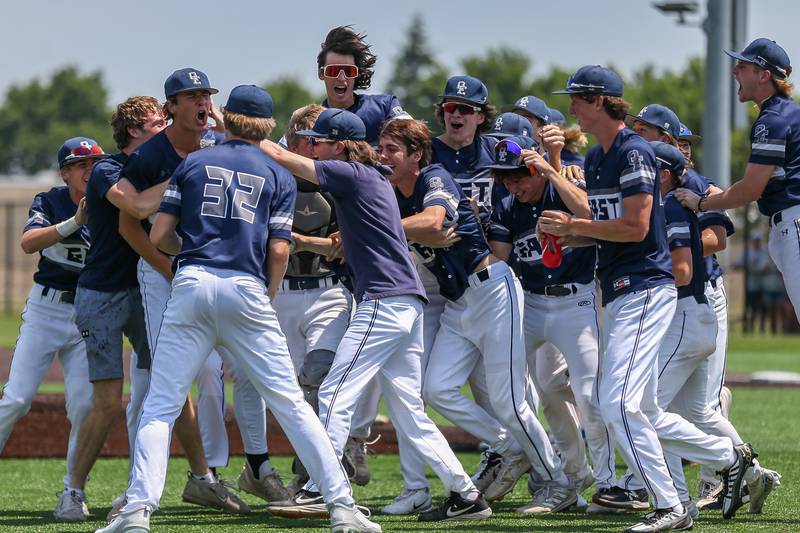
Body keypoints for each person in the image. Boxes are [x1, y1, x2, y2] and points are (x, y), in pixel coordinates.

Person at [98, 85, 380, 533]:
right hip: (246, 287)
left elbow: (159, 237)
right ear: (268, 127)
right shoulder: (279, 174)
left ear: (227, 118)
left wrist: (188, 254)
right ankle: (343, 509)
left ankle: (136, 513)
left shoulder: (193, 162)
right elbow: (280, 251)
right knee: (290, 403)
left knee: (160, 405)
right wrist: (265, 295)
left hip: (191, 282)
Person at [543, 65, 755, 532]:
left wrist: (574, 227)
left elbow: (635, 228)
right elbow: (608, 228)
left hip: (645, 289)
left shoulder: (634, 152)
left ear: (599, 101)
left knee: (617, 404)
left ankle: (672, 506)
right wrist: (570, 229)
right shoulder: (599, 157)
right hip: (620, 290)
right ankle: (729, 458)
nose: (571, 105)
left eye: (577, 98)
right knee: (643, 409)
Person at [260, 109, 491, 523]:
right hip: (407, 303)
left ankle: (319, 488)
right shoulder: (370, 181)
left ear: (341, 146)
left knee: (332, 394)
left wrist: (244, 137)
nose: (312, 147)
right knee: (408, 411)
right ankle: (465, 494)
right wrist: (307, 241)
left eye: (319, 141)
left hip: (384, 302)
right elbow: (349, 246)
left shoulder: (352, 173)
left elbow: (290, 161)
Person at [112, 68, 253, 514]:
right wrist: (166, 266)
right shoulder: (152, 153)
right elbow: (127, 220)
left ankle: (210, 473)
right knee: (164, 382)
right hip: (164, 274)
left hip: (215, 271)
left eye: (205, 95)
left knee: (212, 375)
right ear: (170, 106)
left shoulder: (219, 142)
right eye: (190, 96)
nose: (201, 103)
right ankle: (147, 488)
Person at [487, 135, 617, 511]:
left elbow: (594, 216)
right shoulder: (509, 206)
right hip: (532, 304)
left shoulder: (565, 185)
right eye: (505, 179)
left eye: (520, 176)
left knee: (590, 395)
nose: (513, 185)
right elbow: (499, 258)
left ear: (536, 168)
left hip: (576, 299)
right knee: (543, 392)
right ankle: (572, 477)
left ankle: (610, 483)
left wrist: (551, 173)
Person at [0, 137, 104, 521]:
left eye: (96, 162)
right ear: (66, 173)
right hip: (46, 309)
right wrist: (76, 221)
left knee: (84, 405)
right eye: (81, 165)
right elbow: (28, 243)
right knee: (16, 399)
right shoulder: (51, 200)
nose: (90, 169)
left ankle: (72, 493)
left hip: (88, 314)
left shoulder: (111, 200)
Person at [676, 38, 800, 324]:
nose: (735, 71)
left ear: (764, 75)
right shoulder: (787, 113)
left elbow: (750, 189)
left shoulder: (773, 120)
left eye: (743, 66)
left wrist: (702, 202)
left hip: (793, 222)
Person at [273, 103, 357, 494]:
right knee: (290, 392)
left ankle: (329, 464)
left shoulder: (339, 184)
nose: (311, 148)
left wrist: (303, 241)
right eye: (305, 140)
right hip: (281, 295)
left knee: (321, 376)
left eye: (318, 141)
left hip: (327, 291)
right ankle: (313, 464)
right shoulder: (274, 180)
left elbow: (342, 248)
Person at [318, 25, 410, 144]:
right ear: (321, 73)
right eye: (333, 71)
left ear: (357, 74)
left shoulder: (384, 107)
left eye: (349, 71)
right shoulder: (311, 121)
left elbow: (414, 141)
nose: (341, 78)